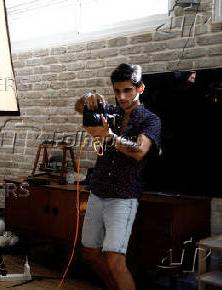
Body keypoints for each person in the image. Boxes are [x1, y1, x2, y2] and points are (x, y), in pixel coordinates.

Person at [75, 63, 161, 290]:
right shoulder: (110, 112)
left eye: (127, 91)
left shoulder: (150, 119)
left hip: (123, 197)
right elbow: (78, 107)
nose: (121, 97)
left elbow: (139, 151)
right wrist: (87, 98)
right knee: (90, 251)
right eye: (117, 91)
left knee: (115, 259)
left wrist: (110, 137)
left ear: (140, 89)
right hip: (98, 191)